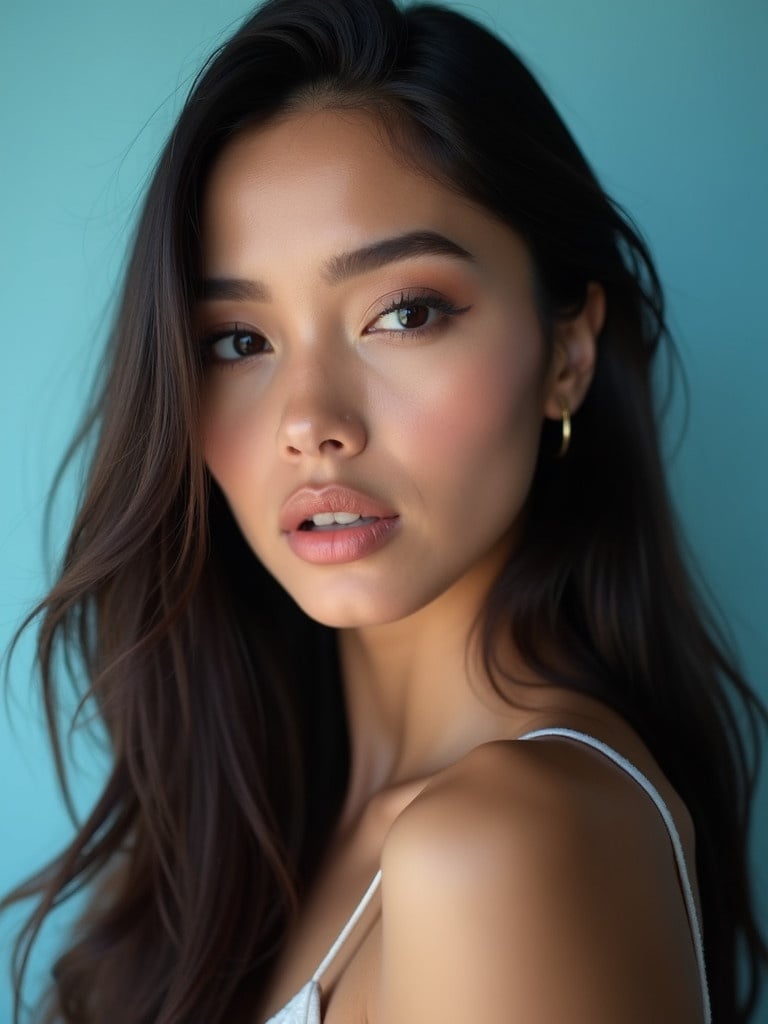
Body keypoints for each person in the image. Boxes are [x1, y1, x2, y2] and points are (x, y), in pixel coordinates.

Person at [2, 0, 766, 1021]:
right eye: (238, 339)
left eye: (403, 314)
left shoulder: (504, 847)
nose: (311, 422)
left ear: (568, 353)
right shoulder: (241, 837)